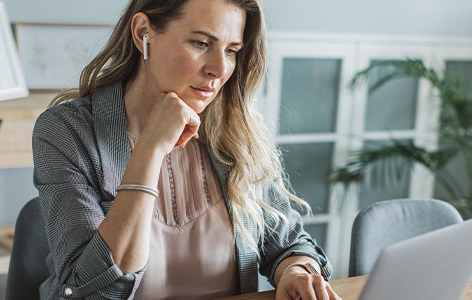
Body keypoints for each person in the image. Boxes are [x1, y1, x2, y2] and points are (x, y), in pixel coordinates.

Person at [32, 0, 340, 299]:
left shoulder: (235, 131)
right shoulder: (66, 131)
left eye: (232, 51)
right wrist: (150, 150)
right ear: (143, 33)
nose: (220, 69)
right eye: (202, 44)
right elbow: (89, 294)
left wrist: (297, 271)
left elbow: (288, 243)